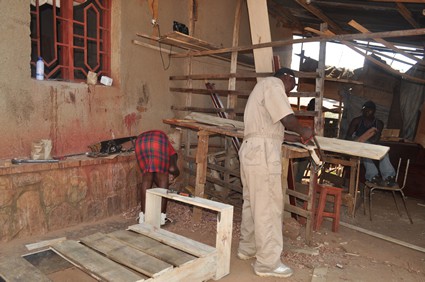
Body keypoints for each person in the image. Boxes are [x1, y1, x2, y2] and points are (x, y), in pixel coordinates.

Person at [237, 67, 314, 278]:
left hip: (253, 148)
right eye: (293, 84)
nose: (291, 89)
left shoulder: (261, 88)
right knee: (268, 207)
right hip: (261, 153)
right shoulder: (273, 84)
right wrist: (303, 130)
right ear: (287, 77)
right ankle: (267, 263)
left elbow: (272, 131)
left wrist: (295, 138)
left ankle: (248, 248)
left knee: (253, 202)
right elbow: (288, 119)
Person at [345, 100, 396, 186]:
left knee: (384, 152)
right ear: (362, 110)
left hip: (370, 146)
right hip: (357, 148)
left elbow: (375, 140)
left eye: (369, 110)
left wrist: (368, 136)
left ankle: (389, 177)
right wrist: (358, 140)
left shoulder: (378, 123)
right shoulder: (356, 121)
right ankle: (373, 176)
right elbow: (348, 137)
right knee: (365, 151)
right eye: (365, 109)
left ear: (374, 111)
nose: (367, 111)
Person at [135, 130, 180, 225]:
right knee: (163, 177)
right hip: (157, 139)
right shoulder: (173, 153)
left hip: (140, 141)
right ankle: (161, 217)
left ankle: (142, 217)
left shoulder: (164, 145)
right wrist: (175, 175)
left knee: (147, 178)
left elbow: (154, 176)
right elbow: (172, 168)